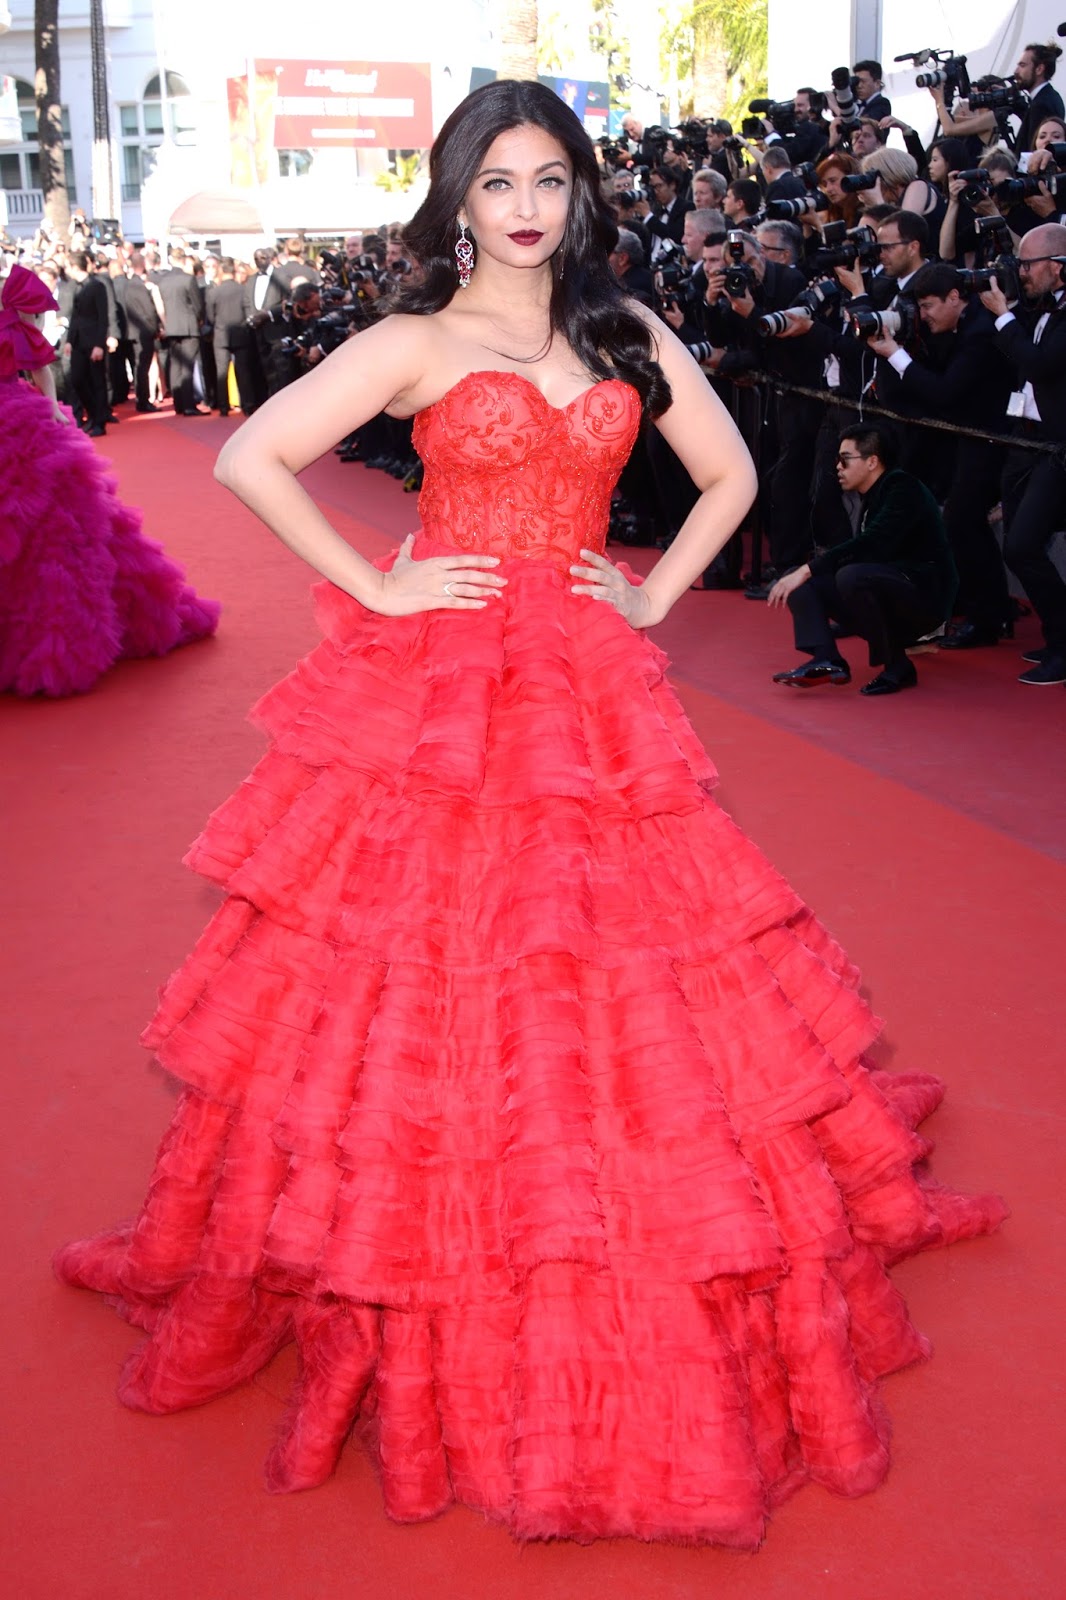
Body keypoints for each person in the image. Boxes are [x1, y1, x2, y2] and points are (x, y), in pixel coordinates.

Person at [54, 80, 1004, 1548]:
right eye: (495, 179)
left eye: (548, 179)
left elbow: (733, 474)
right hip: (442, 694)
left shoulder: (622, 332)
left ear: (579, 195)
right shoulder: (415, 339)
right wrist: (378, 585)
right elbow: (250, 455)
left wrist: (648, 594)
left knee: (625, 968)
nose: (522, 207)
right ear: (456, 192)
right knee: (425, 971)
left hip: (589, 684)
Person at [0, 263, 219, 696]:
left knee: (53, 528)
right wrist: (50, 409)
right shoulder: (14, 322)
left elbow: (42, 369)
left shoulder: (12, 322)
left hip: (19, 421)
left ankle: (51, 643)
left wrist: (50, 410)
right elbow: (42, 369)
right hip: (19, 419)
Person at [769, 424, 957, 694]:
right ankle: (827, 659)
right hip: (891, 589)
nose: (837, 467)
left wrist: (809, 569)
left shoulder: (903, 488)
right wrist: (804, 574)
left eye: (845, 459)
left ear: (872, 462)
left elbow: (873, 543)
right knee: (802, 584)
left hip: (925, 600)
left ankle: (898, 667)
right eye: (837, 460)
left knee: (849, 576)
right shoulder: (872, 495)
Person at [980, 222, 1066, 684]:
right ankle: (1059, 638)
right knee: (1022, 542)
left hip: (1058, 451)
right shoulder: (1044, 308)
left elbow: (1040, 364)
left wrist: (1003, 316)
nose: (1022, 273)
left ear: (1058, 266)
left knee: (1023, 544)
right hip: (1047, 448)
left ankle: (1062, 643)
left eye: (1028, 264)